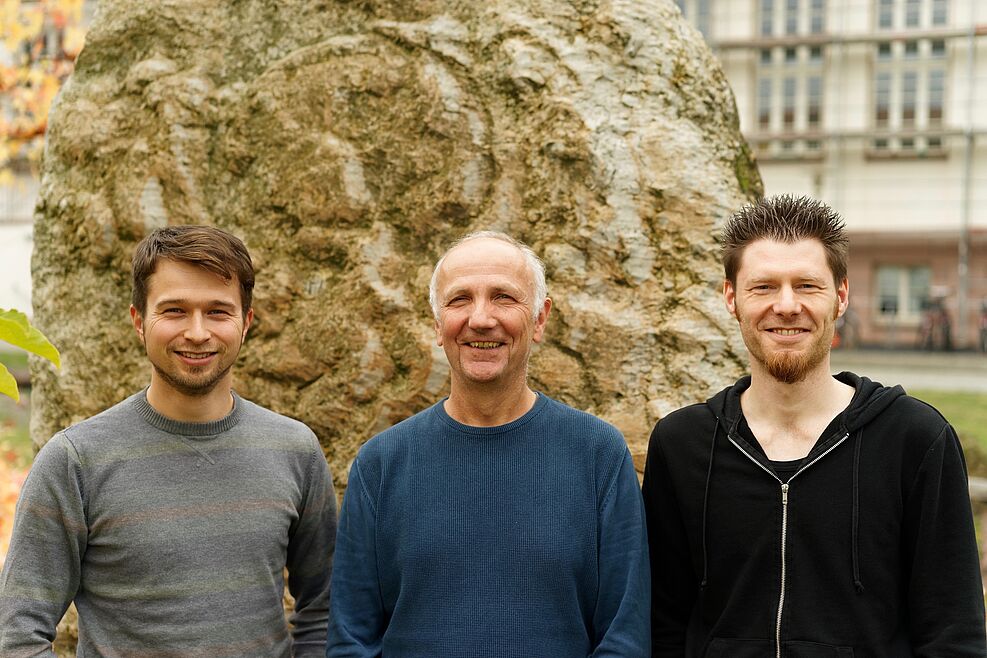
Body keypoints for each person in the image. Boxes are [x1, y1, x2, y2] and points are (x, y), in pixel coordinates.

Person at [642, 195, 986, 657]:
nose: (786, 306)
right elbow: (663, 623)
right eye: (763, 287)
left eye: (807, 285)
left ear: (841, 296)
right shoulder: (682, 445)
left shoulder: (915, 440)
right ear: (731, 298)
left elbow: (954, 634)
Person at [0, 226, 337, 657]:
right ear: (139, 322)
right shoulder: (76, 461)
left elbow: (323, 611)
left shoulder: (296, 451)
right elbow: (21, 634)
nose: (197, 333)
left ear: (246, 323)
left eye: (218, 312)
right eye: (174, 310)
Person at [326, 231, 650, 657]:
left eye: (503, 297)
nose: (480, 318)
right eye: (460, 299)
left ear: (539, 319)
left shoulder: (597, 455)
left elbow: (624, 639)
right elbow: (351, 641)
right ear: (437, 324)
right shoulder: (382, 464)